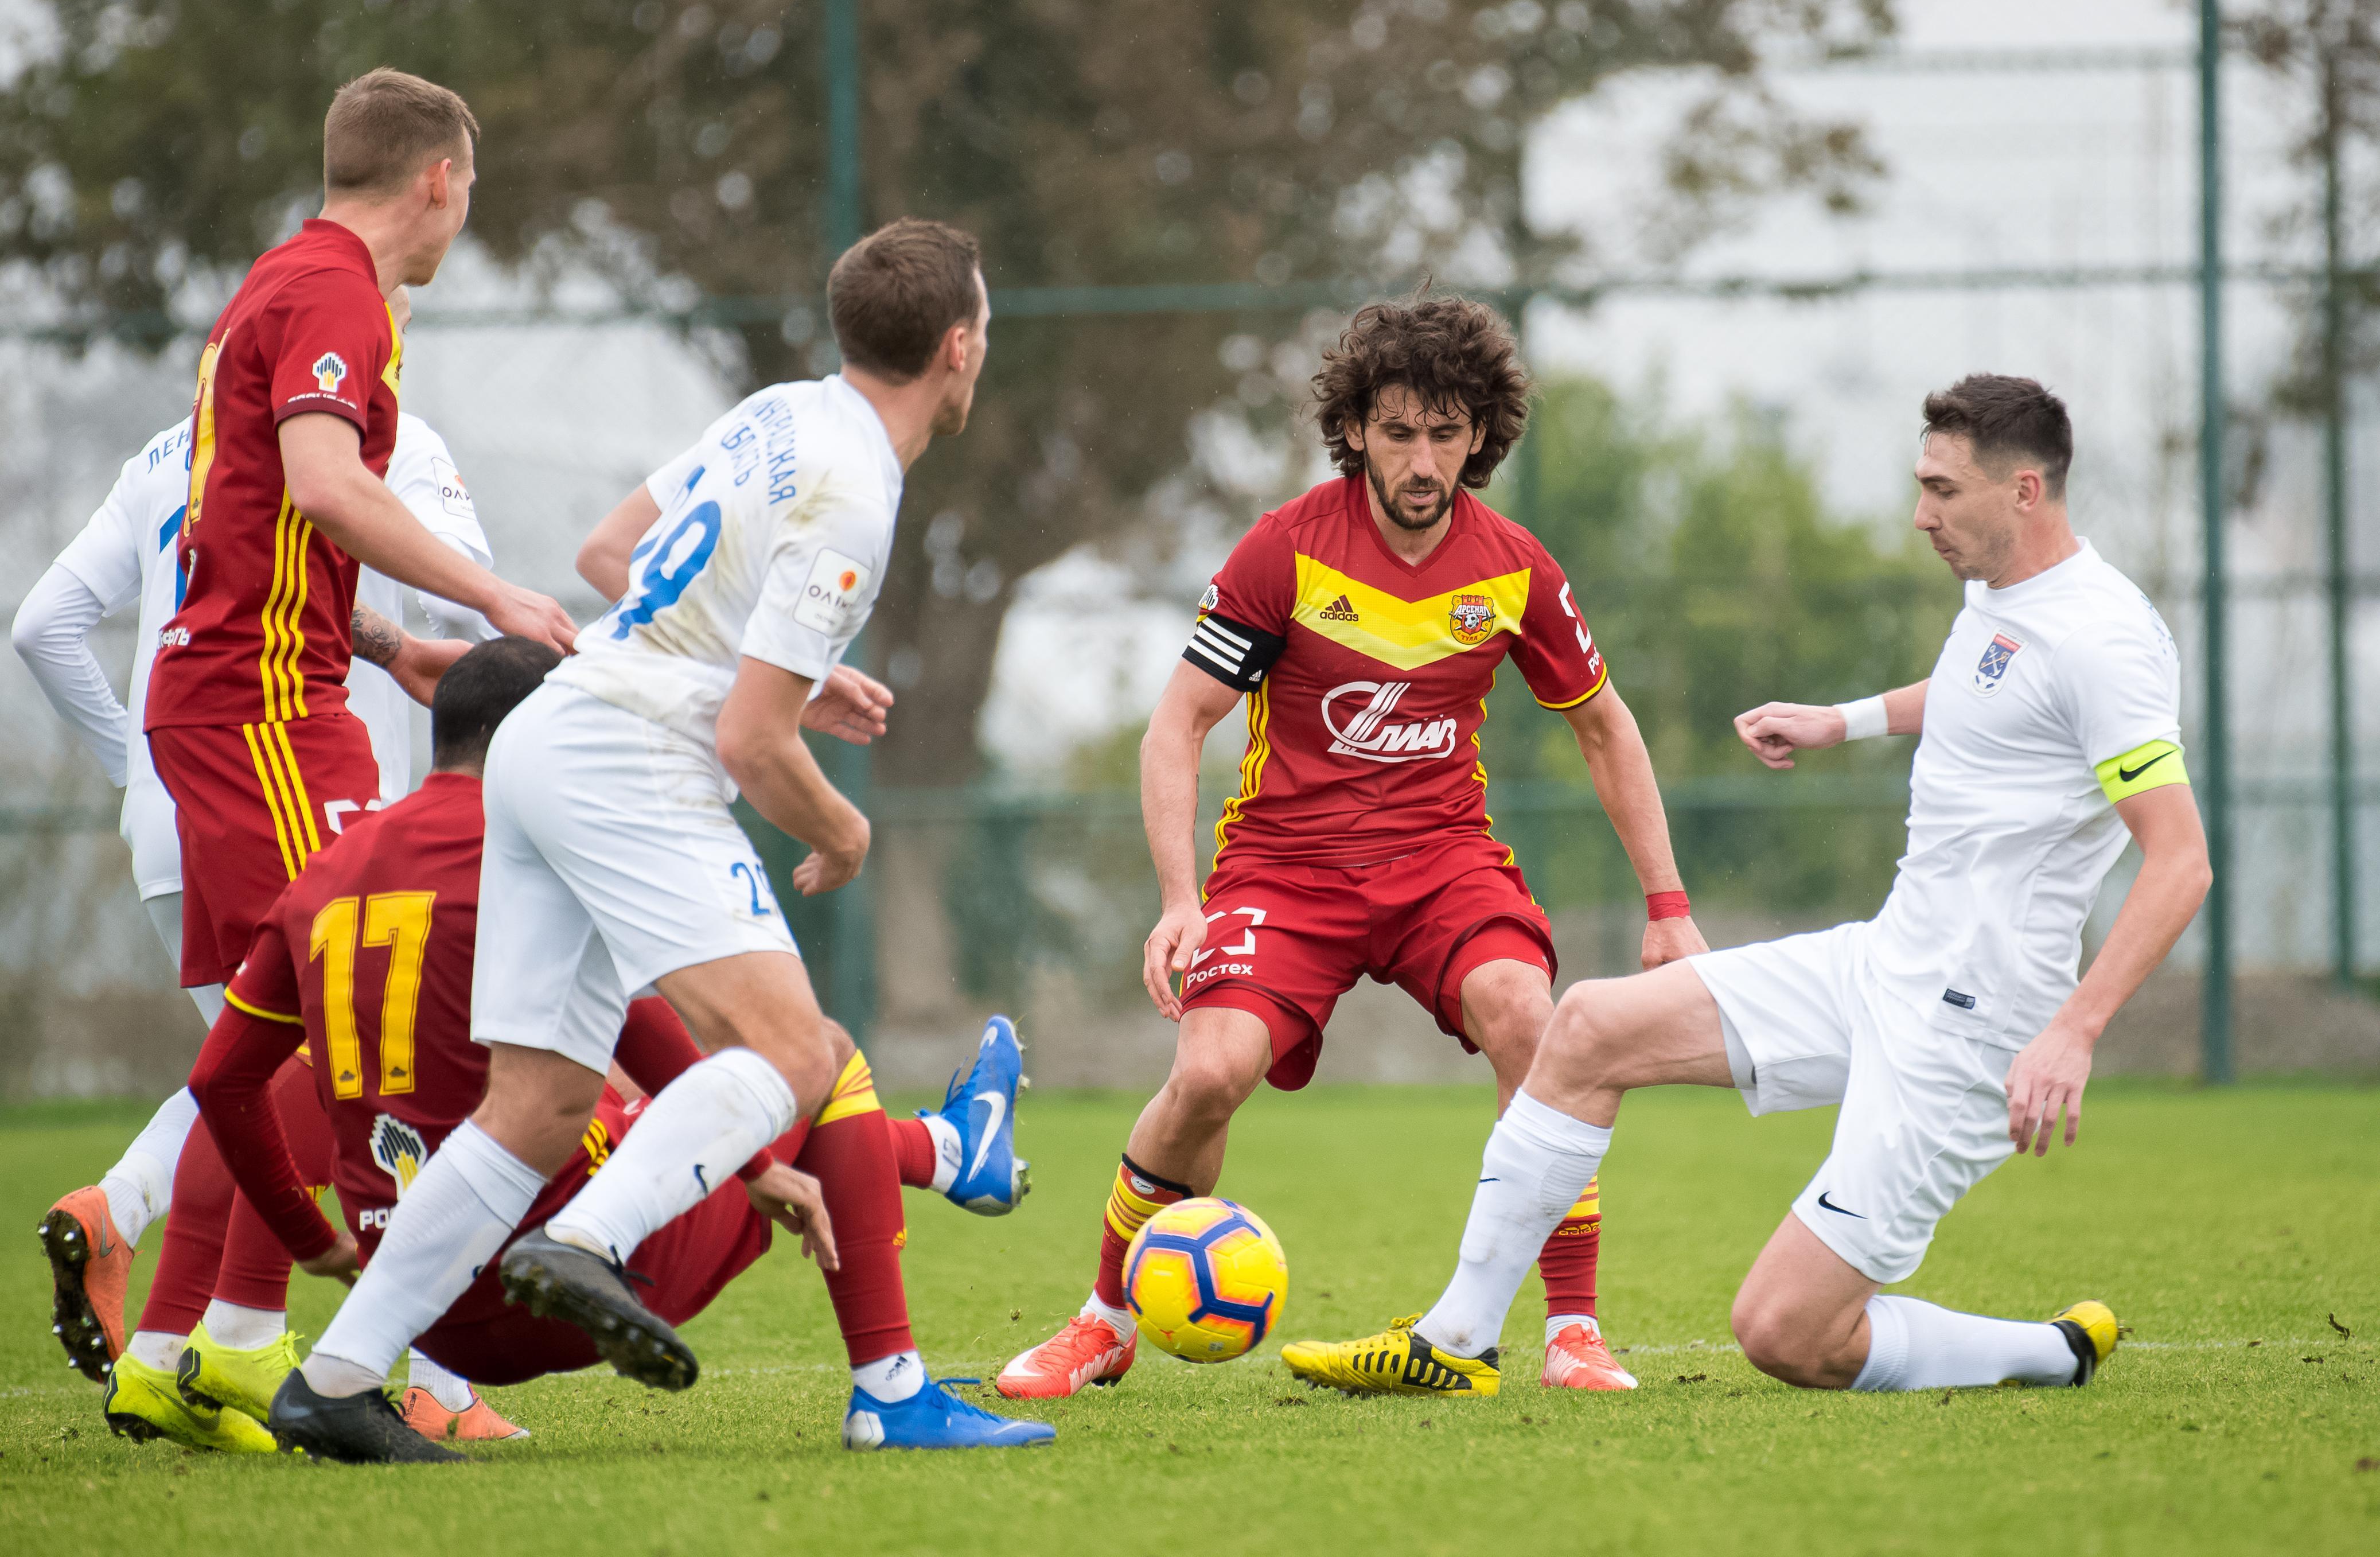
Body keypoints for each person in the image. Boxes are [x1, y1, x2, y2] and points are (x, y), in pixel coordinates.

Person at [267, 215, 1051, 1460]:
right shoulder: (858, 491)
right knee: (796, 1053)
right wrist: (843, 829)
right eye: (987, 331)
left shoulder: (781, 412)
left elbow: (609, 556)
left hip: (541, 740)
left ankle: (334, 1380)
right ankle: (592, 1242)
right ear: (959, 347)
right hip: (624, 761)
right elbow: (751, 746)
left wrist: (775, 673)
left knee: (536, 1104)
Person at [1286, 375, 2208, 1398]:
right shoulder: (2006, 592)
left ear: (2023, 491)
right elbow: (1991, 687)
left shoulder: (2102, 639)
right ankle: (1456, 1336)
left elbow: (2179, 860)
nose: (1921, 514)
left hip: (1973, 1027)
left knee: (1785, 1333)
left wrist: (2074, 1031)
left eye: (1942, 490)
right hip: (1886, 962)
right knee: (1585, 1026)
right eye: (1921, 484)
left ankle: (2048, 1352)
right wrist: (1843, 720)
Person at [999, 292, 1705, 1401]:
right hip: (1285, 869)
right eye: (1397, 431)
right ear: (1355, 430)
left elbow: (1604, 728)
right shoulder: (1284, 550)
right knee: (1208, 1074)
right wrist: (1179, 899)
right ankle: (1104, 1318)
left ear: (1480, 434)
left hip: (1442, 862)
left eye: (1444, 433)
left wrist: (1667, 906)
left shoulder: (1515, 568)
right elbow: (1175, 725)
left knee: (1532, 1020)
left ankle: (1573, 1330)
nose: (1421, 461)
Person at [41, 67, 577, 1445]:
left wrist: (386, 641)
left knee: (273, 1038)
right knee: (347, 1018)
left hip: (260, 697)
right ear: (439, 180)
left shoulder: (283, 282)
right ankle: (269, 1345)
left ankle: (179, 1351)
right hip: (265, 713)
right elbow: (329, 487)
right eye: (471, 188)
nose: (466, 213)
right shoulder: (338, 293)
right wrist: (494, 596)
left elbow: (266, 524)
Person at [186, 639, 1029, 1460]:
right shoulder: (539, 840)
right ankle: (893, 1388)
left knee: (617, 1089)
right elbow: (642, 1026)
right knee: (820, 1051)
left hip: (413, 1302)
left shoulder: (323, 873)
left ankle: (946, 1150)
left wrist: (314, 1242)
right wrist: (752, 1165)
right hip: (554, 1281)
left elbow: (221, 1081)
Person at [12, 368, 502, 1443]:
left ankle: (143, 1283)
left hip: (175, 812)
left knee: (259, 1073)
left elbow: (42, 626)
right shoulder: (386, 439)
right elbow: (472, 615)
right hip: (306, 799)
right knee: (387, 1081)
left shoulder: (171, 450)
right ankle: (422, 1377)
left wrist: (138, 775)